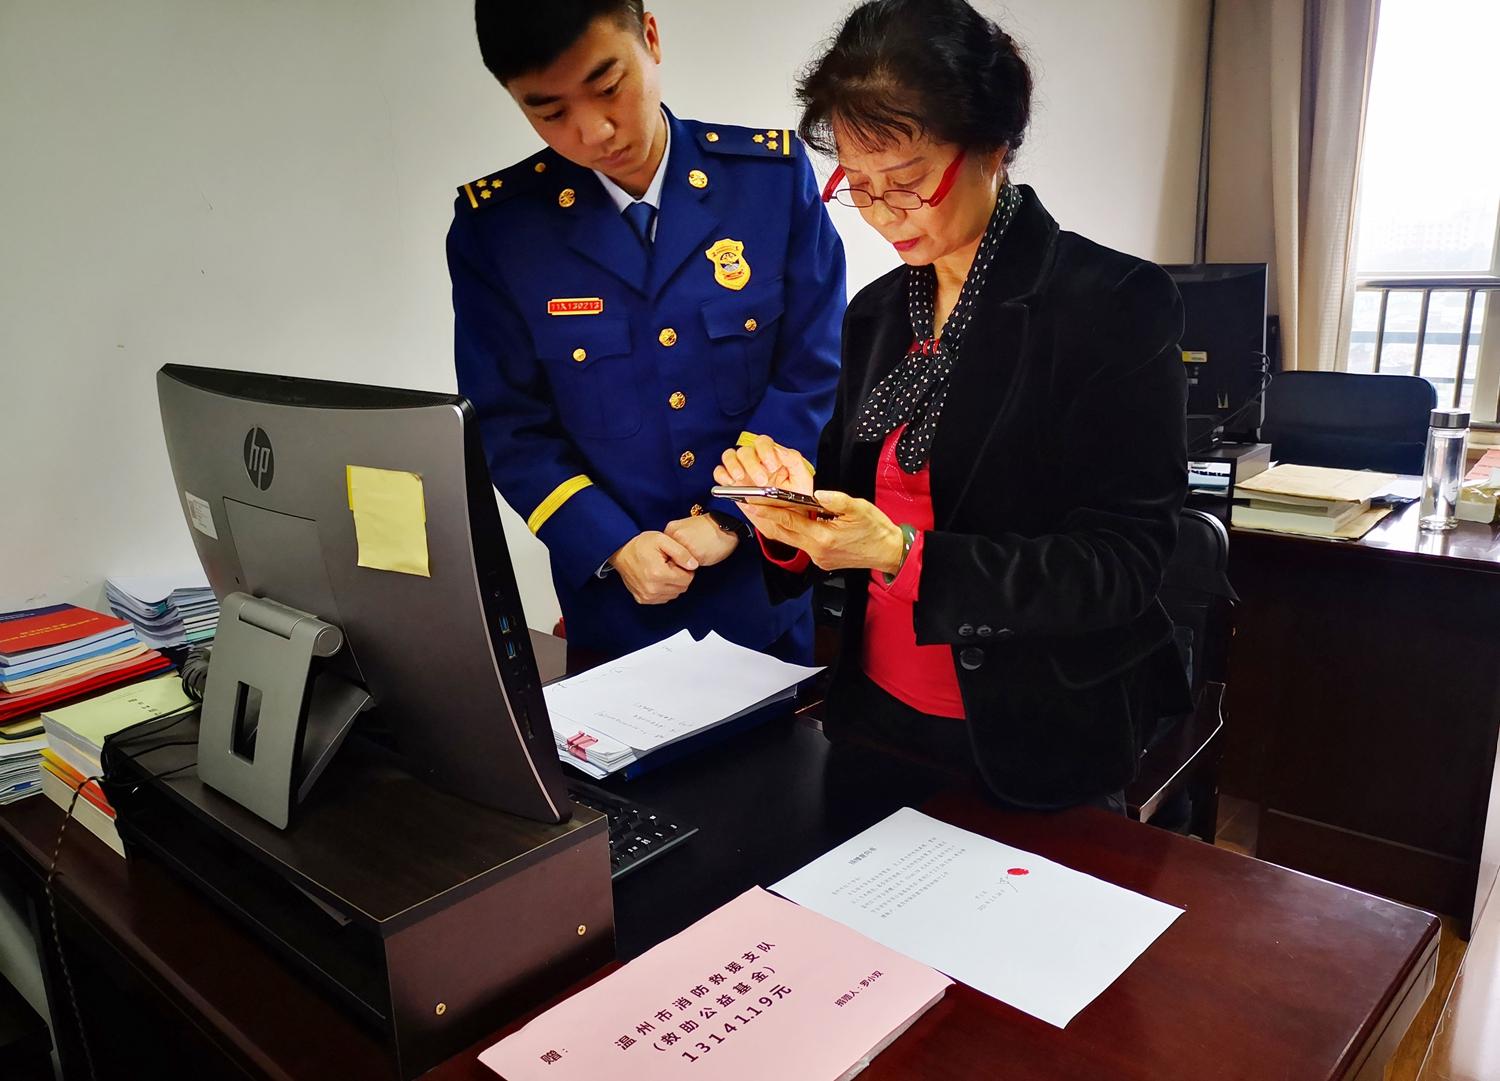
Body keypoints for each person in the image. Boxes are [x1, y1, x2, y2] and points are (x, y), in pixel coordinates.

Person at [715, 0, 1192, 810]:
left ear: (992, 147)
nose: (881, 214)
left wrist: (906, 553)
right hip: (874, 716)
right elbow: (848, 499)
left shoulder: (1112, 303)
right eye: (858, 187)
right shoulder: (876, 313)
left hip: (1033, 737)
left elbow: (1122, 564)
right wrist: (791, 511)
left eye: (906, 183)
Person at [449, 0, 845, 660]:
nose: (594, 131)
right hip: (616, 612)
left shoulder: (769, 184)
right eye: (550, 112)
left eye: (608, 87)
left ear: (651, 38)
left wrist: (734, 514)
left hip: (761, 595)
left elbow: (814, 370)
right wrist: (610, 542)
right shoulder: (499, 232)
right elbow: (509, 424)